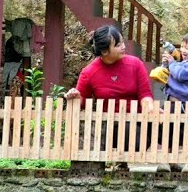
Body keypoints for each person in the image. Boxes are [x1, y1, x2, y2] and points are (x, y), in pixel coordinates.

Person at [64, 25, 154, 171]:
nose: (123, 47)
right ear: (104, 51)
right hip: (114, 125)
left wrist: (149, 107)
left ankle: (173, 162)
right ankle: (120, 160)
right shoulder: (89, 72)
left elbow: (145, 94)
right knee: (130, 133)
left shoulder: (135, 64)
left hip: (139, 118)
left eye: (123, 42)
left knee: (170, 117)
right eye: (118, 45)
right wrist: (75, 96)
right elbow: (82, 103)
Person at [161, 31, 188, 172]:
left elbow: (179, 74)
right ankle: (168, 161)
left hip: (182, 105)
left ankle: (187, 161)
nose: (183, 50)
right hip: (171, 103)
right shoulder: (183, 63)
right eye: (182, 47)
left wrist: (172, 63)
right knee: (168, 131)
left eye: (187, 48)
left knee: (182, 132)